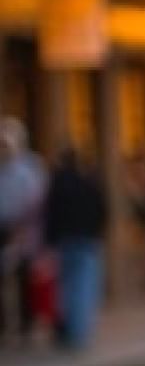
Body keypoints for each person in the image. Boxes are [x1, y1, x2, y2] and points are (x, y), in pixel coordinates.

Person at [42, 147, 110, 349]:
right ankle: (79, 331)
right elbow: (102, 209)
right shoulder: (88, 182)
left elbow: (51, 215)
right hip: (87, 240)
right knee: (84, 288)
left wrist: (50, 241)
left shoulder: (57, 183)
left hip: (65, 242)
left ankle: (71, 329)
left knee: (67, 288)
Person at [0, 118, 45, 342]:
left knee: (24, 279)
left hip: (24, 230)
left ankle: (26, 325)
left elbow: (35, 202)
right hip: (3, 228)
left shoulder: (28, 169)